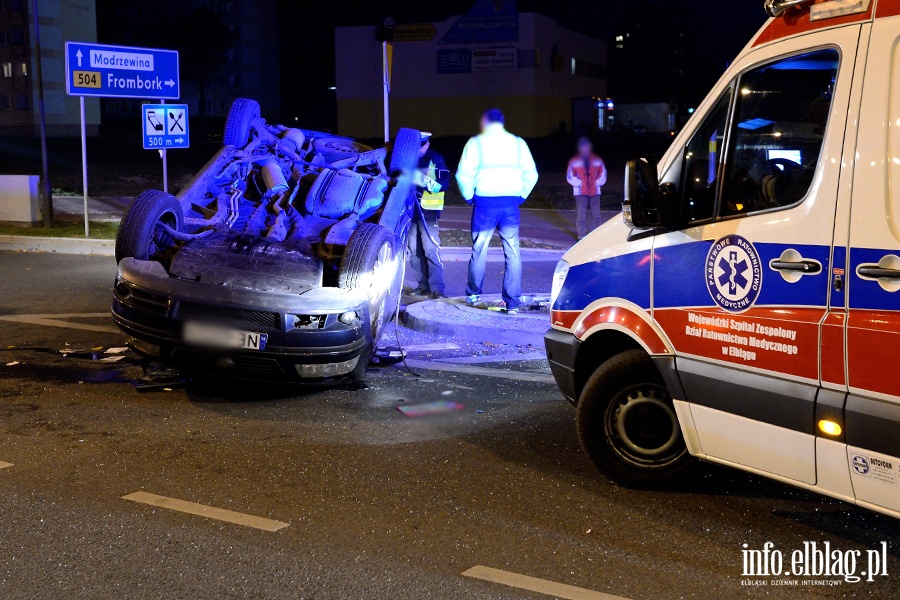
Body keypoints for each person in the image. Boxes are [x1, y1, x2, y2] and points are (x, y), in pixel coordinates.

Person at [456, 109, 539, 315]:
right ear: (502, 122)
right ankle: (512, 303)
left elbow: (463, 174)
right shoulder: (519, 143)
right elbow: (532, 174)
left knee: (479, 249)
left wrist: (469, 196)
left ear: (485, 122)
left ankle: (473, 295)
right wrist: (521, 196)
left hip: (484, 204)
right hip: (510, 205)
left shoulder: (475, 143)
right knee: (512, 251)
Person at [408, 133, 451, 299]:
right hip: (411, 210)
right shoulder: (409, 159)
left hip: (428, 211)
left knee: (431, 250)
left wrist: (421, 180)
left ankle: (437, 289)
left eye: (422, 145)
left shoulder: (436, 159)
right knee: (414, 251)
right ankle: (423, 287)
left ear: (427, 144)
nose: (419, 149)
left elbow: (444, 185)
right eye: (416, 146)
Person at [566, 137, 607, 239]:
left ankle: (597, 235)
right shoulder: (574, 161)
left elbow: (603, 174)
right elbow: (570, 176)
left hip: (595, 191)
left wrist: (596, 184)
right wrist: (580, 184)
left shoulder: (597, 160)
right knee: (581, 215)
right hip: (580, 192)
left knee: (596, 215)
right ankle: (581, 235)